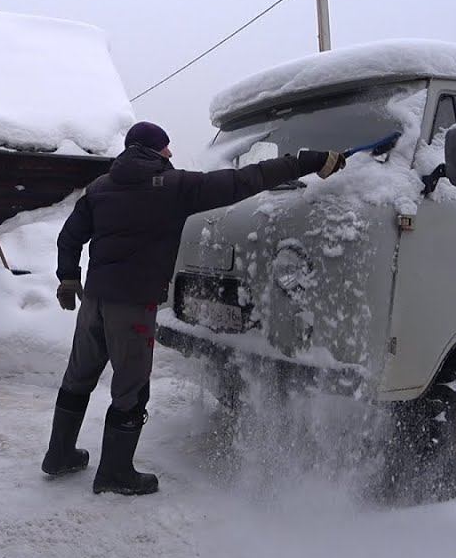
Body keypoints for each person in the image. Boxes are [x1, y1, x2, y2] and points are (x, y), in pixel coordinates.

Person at [41, 121, 346, 495]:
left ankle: (58, 456)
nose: (171, 153)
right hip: (133, 305)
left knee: (78, 377)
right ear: (155, 149)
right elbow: (244, 180)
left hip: (95, 301)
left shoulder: (100, 188)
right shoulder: (173, 187)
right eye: (166, 147)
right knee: (131, 390)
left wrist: (68, 277)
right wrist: (304, 162)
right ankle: (116, 474)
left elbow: (69, 236)